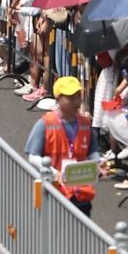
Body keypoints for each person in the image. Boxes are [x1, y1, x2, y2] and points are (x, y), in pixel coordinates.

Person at [24, 76, 96, 214]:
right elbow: (33, 156)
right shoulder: (45, 124)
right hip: (54, 192)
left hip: (80, 193)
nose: (76, 101)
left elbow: (93, 152)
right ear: (58, 99)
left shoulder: (85, 123)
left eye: (78, 96)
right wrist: (53, 172)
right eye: (71, 98)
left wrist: (99, 163)